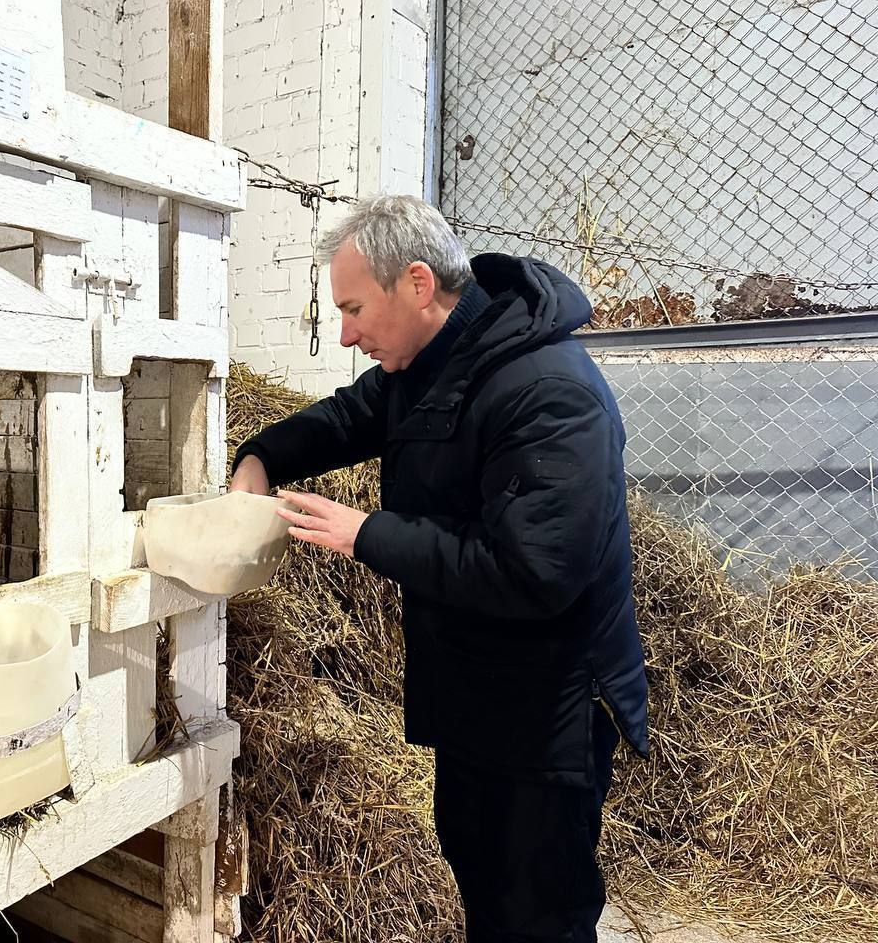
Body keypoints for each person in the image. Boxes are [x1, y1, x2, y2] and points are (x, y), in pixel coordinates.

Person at [229, 194, 649, 943]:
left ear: (417, 284)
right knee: (478, 873)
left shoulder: (548, 392)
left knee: (538, 910)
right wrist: (260, 457)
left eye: (355, 309)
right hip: (475, 692)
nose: (346, 333)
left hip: (544, 710)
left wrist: (368, 534)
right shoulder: (431, 362)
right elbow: (347, 417)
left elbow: (534, 573)